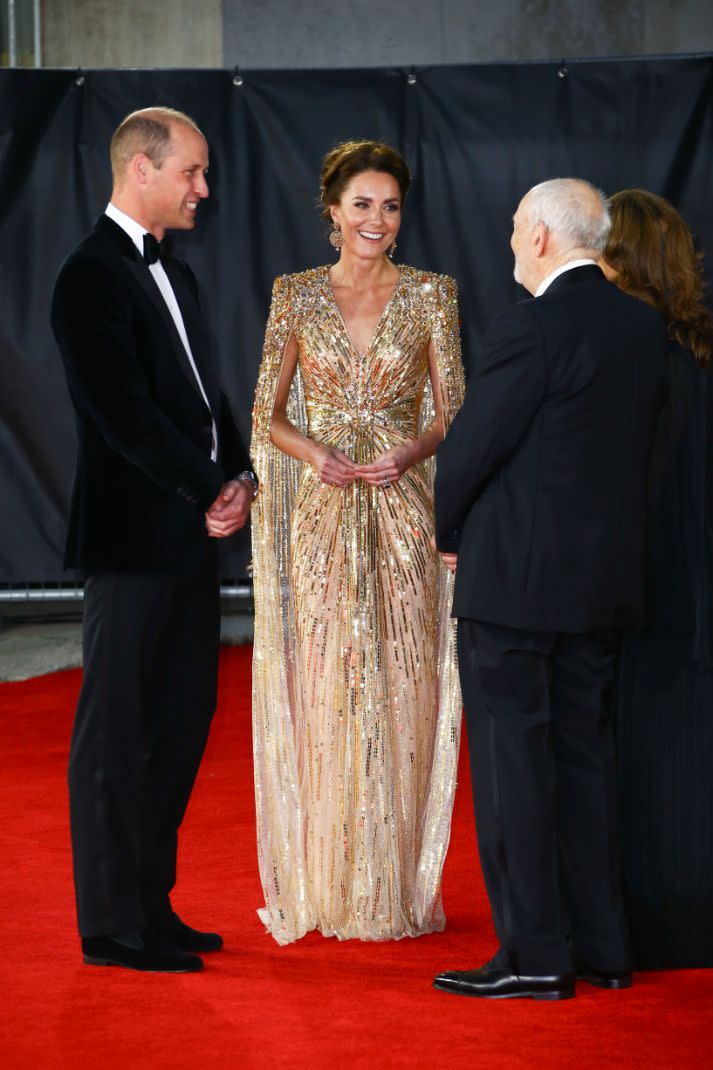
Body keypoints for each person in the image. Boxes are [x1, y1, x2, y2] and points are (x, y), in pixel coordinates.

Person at [432, 178, 669, 1000]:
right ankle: (602, 948)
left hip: (514, 591)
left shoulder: (528, 325)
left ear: (537, 237)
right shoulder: (643, 327)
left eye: (510, 232)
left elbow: (469, 450)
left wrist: (446, 532)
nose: (506, 246)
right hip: (601, 587)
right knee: (584, 762)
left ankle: (534, 955)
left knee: (514, 772)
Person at [51, 107, 257, 973]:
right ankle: (110, 925)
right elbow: (124, 418)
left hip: (188, 538)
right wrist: (204, 484)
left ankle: (152, 904)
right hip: (132, 541)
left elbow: (205, 402)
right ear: (141, 169)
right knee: (117, 731)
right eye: (191, 173)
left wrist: (237, 476)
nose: (203, 189)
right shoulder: (89, 276)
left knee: (179, 722)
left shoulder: (181, 276)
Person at [250, 140, 465, 944]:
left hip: (404, 509)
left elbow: (454, 411)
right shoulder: (296, 296)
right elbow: (265, 414)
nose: (378, 219)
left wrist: (410, 451)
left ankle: (394, 884)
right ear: (332, 211)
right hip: (322, 514)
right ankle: (333, 882)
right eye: (363, 204)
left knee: (402, 688)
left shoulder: (432, 295)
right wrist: (315, 454)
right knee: (331, 684)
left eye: (391, 205)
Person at [600, 189, 713, 969]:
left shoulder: (624, 361)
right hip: (690, 584)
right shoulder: (696, 354)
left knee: (639, 756)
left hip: (642, 586)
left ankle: (650, 925)